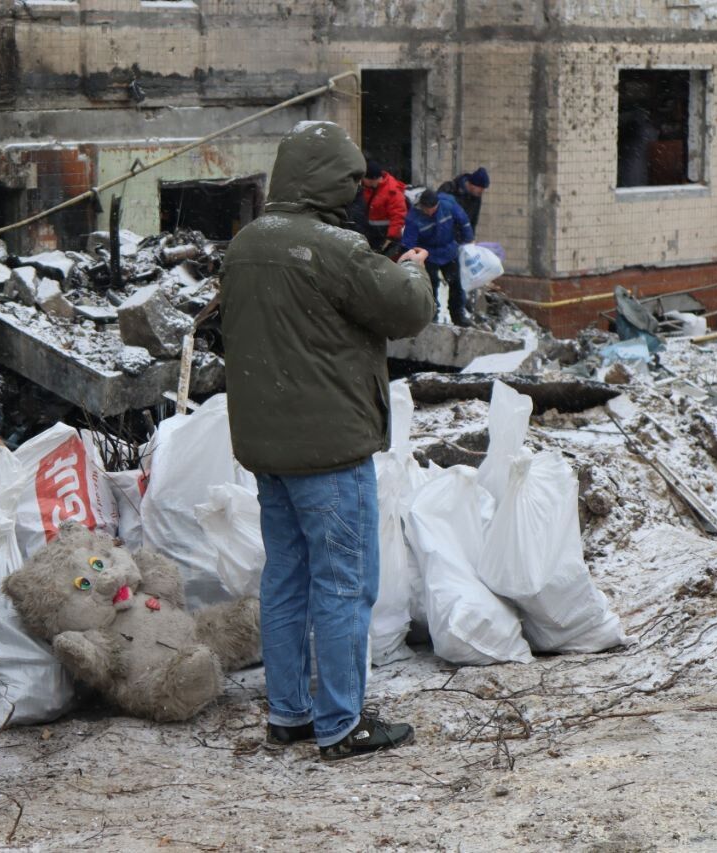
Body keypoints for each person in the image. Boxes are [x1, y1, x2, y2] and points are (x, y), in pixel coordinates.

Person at [221, 121, 433, 762]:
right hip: (329, 449)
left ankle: (288, 713)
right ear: (332, 183)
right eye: (350, 182)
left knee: (286, 578)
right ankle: (342, 723)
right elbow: (406, 311)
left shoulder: (246, 244)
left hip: (268, 449)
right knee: (343, 583)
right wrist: (415, 273)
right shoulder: (334, 247)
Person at [402, 188, 475, 327]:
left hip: (449, 251)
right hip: (428, 255)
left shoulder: (447, 206)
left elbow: (463, 220)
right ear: (422, 206)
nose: (430, 212)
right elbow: (409, 242)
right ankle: (431, 316)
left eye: (433, 208)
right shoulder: (413, 217)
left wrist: (469, 239)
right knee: (430, 285)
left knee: (456, 284)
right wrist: (410, 257)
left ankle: (458, 316)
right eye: (427, 209)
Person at [361, 159, 408, 259]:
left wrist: (390, 238)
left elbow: (398, 216)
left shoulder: (392, 191)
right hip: (372, 234)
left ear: (371, 179)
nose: (362, 181)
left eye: (363, 178)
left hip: (385, 237)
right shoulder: (369, 188)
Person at [438, 166, 489, 231]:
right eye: (481, 189)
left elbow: (473, 222)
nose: (482, 191)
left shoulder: (476, 198)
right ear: (473, 185)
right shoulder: (449, 189)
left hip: (462, 238)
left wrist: (471, 238)